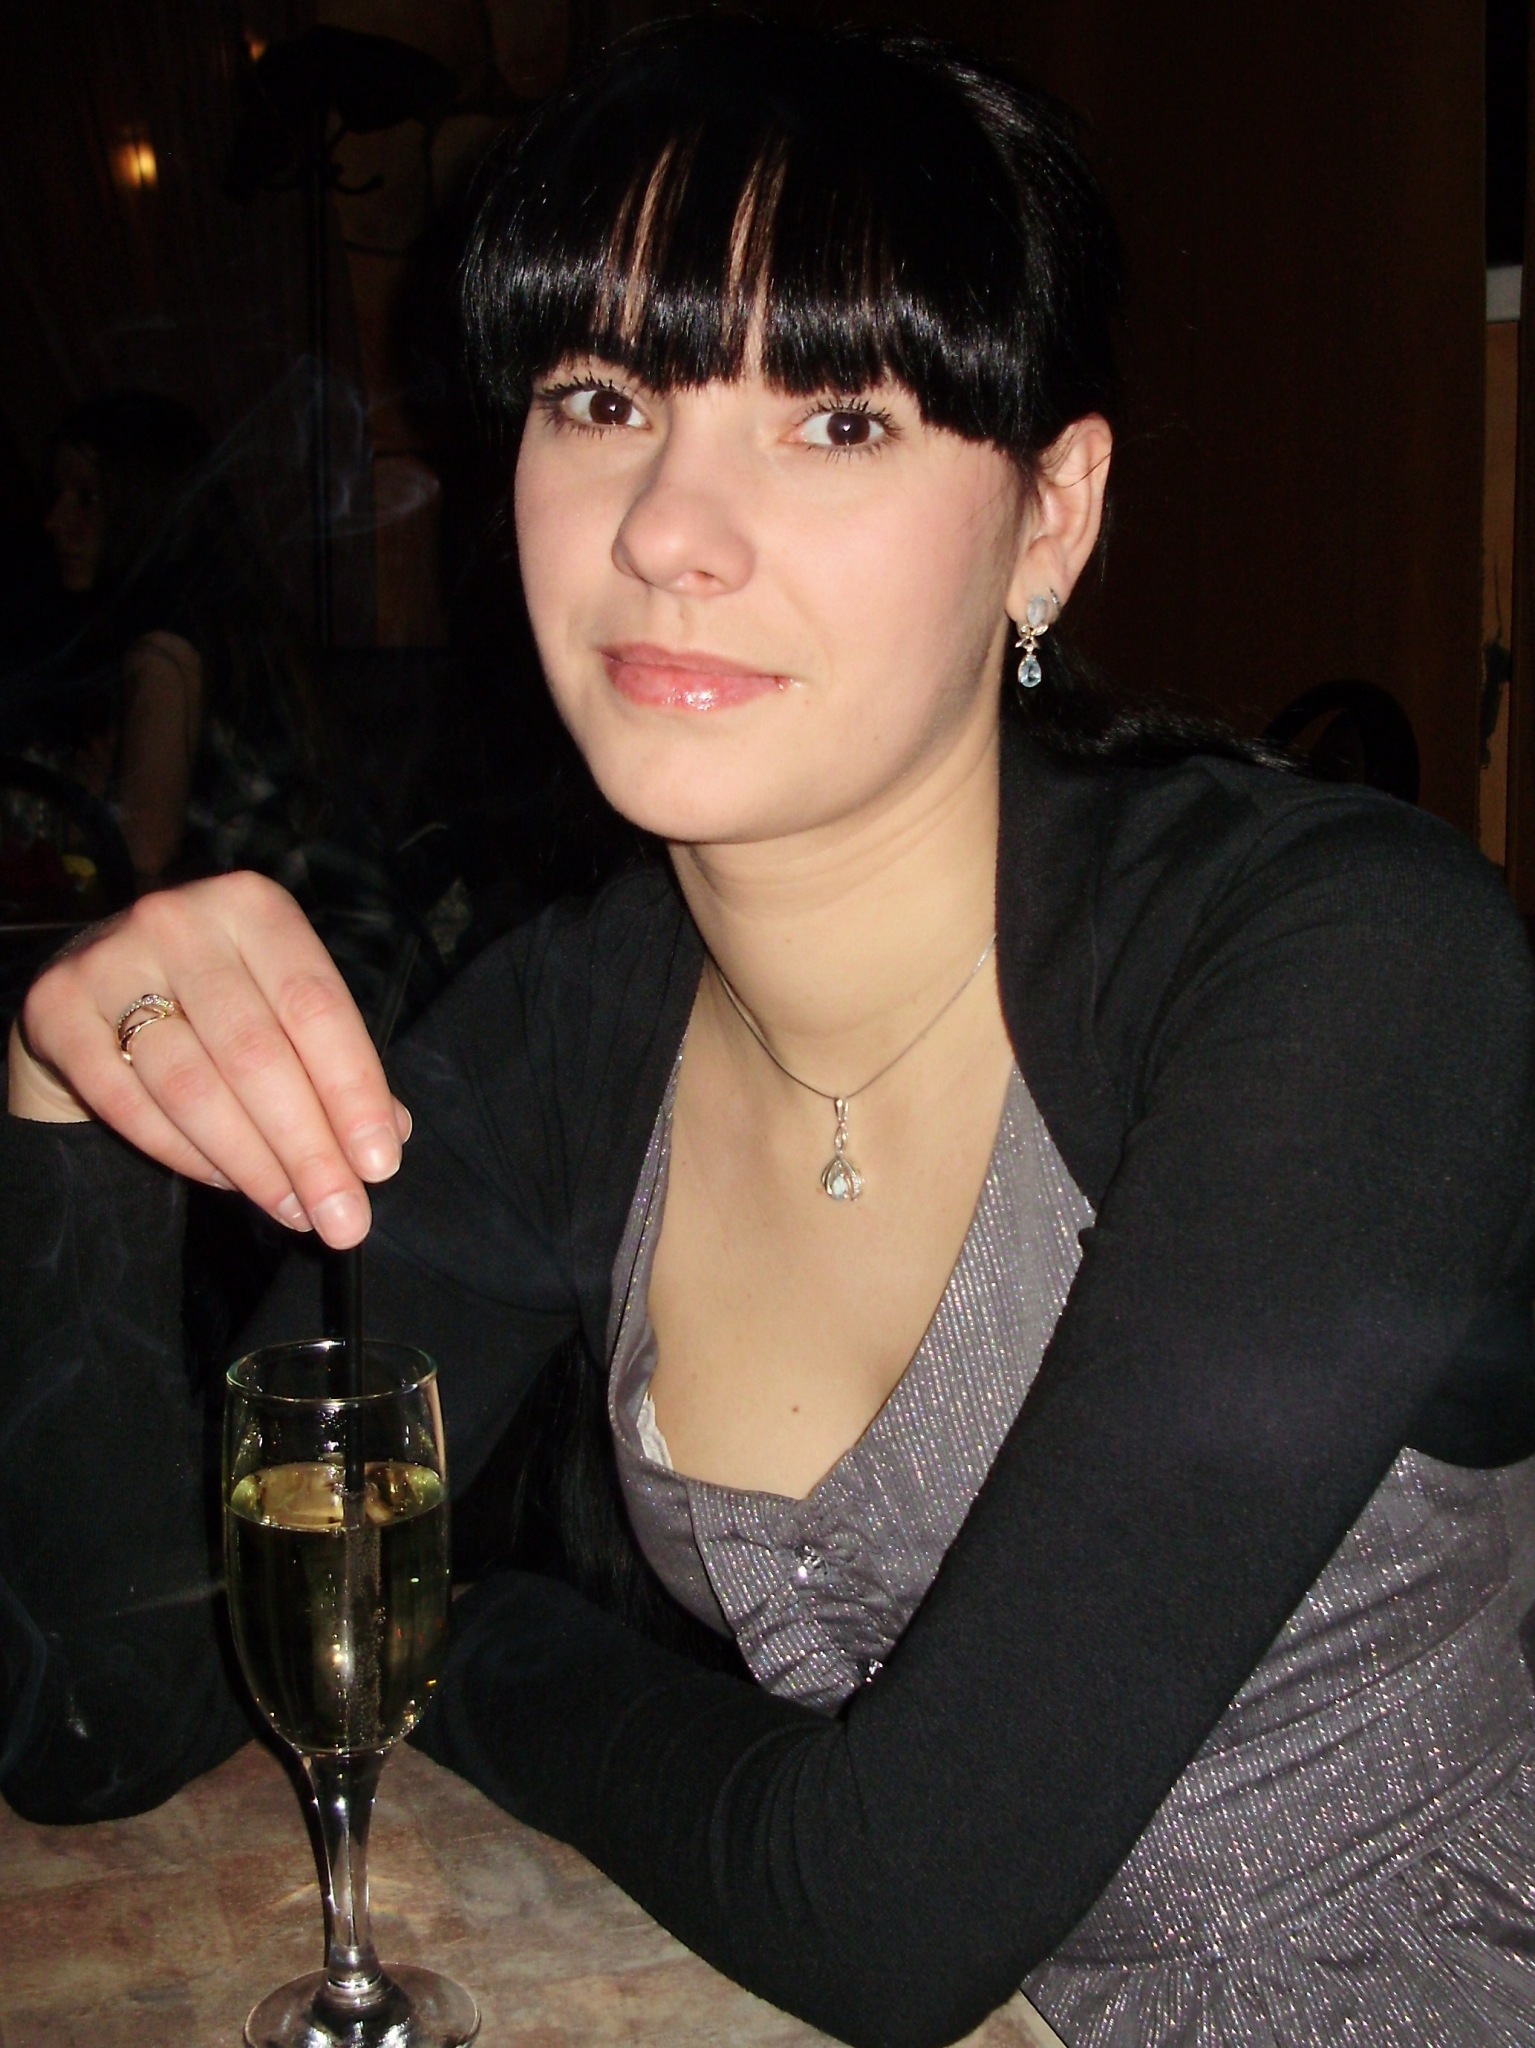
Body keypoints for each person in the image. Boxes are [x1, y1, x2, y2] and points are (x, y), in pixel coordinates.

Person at [4, 19, 1534, 2047]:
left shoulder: (1345, 967)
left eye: (835, 419)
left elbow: (886, 1912)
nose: (668, 527)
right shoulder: (563, 1036)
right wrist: (66, 1110)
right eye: (603, 396)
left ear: (1051, 515)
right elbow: (105, 1718)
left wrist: (471, 1643)